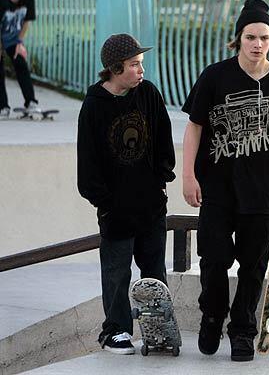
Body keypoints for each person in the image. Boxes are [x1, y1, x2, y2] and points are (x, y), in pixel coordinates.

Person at [182, 0, 269, 362]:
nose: (257, 44)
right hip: (216, 188)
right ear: (238, 39)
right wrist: (188, 174)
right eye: (251, 37)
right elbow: (194, 127)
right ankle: (212, 315)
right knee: (213, 258)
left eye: (264, 38)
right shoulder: (215, 76)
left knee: (254, 266)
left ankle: (242, 330)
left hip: (261, 193)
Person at [77, 33, 176, 355]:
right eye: (134, 65)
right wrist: (104, 202)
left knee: (154, 273)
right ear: (115, 68)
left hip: (150, 203)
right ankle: (115, 331)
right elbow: (87, 161)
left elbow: (163, 137)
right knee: (117, 274)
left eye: (141, 64)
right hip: (115, 209)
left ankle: (158, 328)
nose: (141, 70)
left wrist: (161, 180)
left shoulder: (147, 93)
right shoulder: (94, 105)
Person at [0, 0, 38, 117]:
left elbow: (27, 21)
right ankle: (3, 106)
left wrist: (19, 42)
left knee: (21, 64)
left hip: (13, 39)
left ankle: (31, 102)